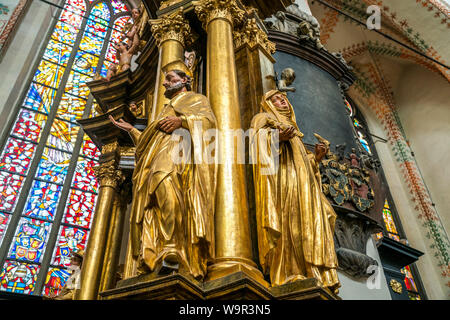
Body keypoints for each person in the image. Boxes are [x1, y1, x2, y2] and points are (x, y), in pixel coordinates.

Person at [110, 60, 216, 280]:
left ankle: (172, 247)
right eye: (165, 79)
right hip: (156, 157)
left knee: (167, 189)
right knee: (154, 202)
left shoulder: (196, 99)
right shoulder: (164, 109)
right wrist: (132, 130)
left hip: (178, 156)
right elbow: (150, 141)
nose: (165, 83)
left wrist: (182, 121)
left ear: (185, 79)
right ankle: (156, 251)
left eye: (170, 78)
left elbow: (209, 124)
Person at [250, 90, 340, 293]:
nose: (282, 100)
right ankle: (290, 271)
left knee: (312, 220)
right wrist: (276, 138)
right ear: (267, 103)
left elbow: (303, 163)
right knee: (290, 221)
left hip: (305, 184)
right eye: (275, 99)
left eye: (283, 98)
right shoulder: (263, 118)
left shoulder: (296, 132)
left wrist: (316, 158)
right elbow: (254, 144)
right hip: (283, 179)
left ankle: (314, 272)